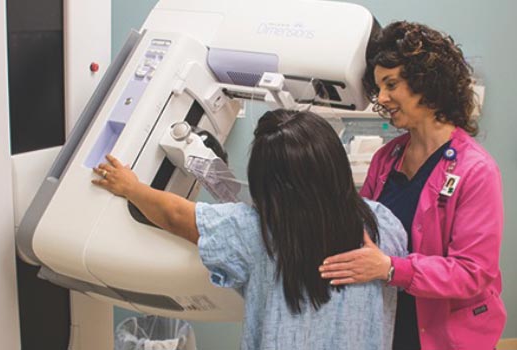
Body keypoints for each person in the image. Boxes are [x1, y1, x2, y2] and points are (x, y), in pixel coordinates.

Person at [93, 109, 407, 350]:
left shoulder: (254, 232)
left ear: (266, 182)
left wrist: (131, 187)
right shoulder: (385, 226)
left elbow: (176, 215)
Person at [318, 21, 506, 349]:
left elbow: (472, 272)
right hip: (391, 323)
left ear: (427, 82)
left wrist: (392, 269)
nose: (383, 97)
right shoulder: (386, 159)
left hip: (447, 335)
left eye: (392, 84)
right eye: (379, 88)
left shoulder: (475, 171)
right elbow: (362, 229)